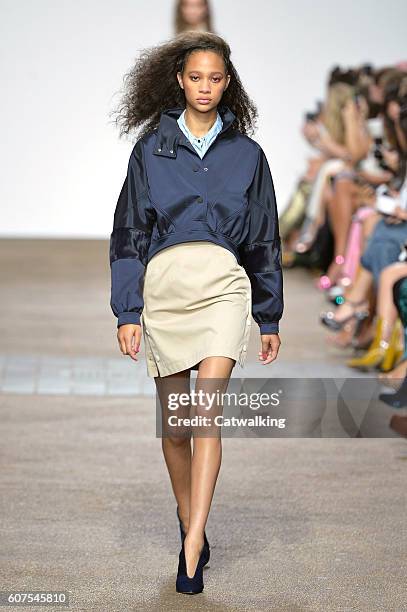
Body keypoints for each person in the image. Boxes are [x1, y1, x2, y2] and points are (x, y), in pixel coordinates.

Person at [109, 30, 284, 594]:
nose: (205, 87)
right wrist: (127, 309)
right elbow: (130, 230)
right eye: (195, 77)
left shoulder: (248, 155)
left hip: (224, 288)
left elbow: (263, 235)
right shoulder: (151, 148)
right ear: (179, 81)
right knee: (176, 424)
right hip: (165, 288)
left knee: (204, 413)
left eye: (215, 78)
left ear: (227, 83)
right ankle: (191, 522)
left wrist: (269, 314)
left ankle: (192, 543)